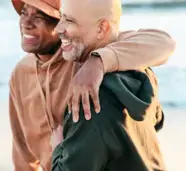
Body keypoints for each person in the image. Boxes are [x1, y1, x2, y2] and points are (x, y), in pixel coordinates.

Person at [9, 0, 175, 170]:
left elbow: (163, 42)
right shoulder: (21, 73)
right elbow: (22, 150)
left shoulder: (82, 51)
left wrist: (98, 61)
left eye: (39, 16)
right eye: (24, 13)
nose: (26, 23)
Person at [51, 0, 167, 170]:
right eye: (61, 18)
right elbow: (157, 120)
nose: (58, 29)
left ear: (101, 29)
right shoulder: (143, 72)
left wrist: (57, 147)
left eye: (69, 20)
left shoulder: (90, 100)